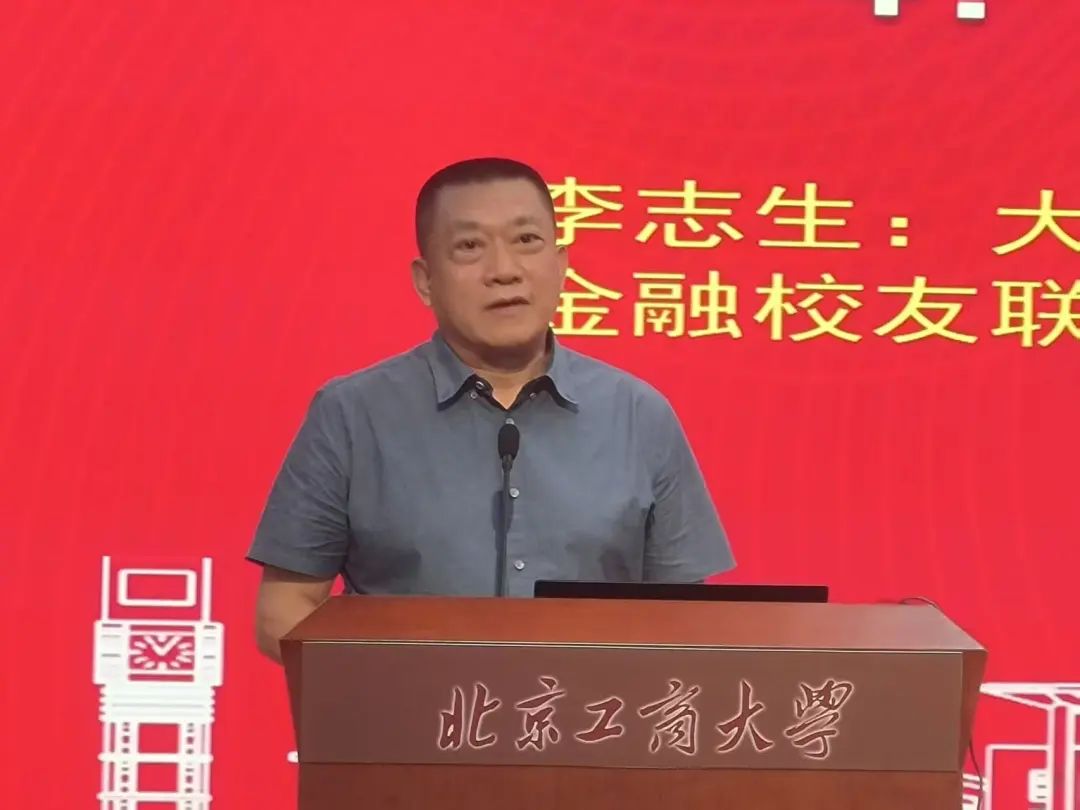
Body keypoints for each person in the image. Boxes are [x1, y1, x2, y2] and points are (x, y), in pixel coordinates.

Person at [246, 157, 734, 662]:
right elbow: (284, 611)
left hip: (591, 712)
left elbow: (684, 618)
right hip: (410, 712)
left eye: (527, 240)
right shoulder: (352, 414)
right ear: (425, 281)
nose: (504, 271)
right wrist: (397, 683)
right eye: (470, 247)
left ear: (562, 265)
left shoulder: (639, 415)